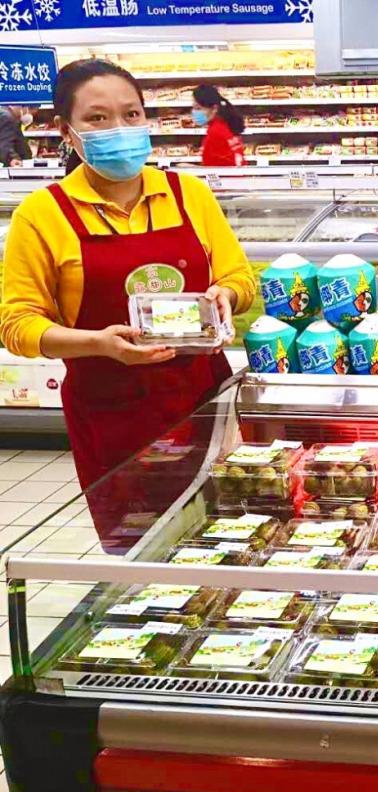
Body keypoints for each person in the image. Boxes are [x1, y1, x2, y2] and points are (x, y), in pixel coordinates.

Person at [0, 59, 255, 493]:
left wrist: (225, 297)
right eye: (97, 118)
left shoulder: (188, 194)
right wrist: (98, 344)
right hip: (110, 409)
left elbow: (239, 278)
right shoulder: (42, 214)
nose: (119, 128)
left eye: (131, 114)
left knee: (226, 514)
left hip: (203, 398)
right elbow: (17, 325)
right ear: (65, 131)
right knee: (133, 525)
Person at [192, 84, 246, 167]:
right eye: (193, 108)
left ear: (214, 109)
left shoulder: (215, 133)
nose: (194, 112)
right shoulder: (225, 125)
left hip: (225, 175)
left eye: (198, 108)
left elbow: (210, 171)